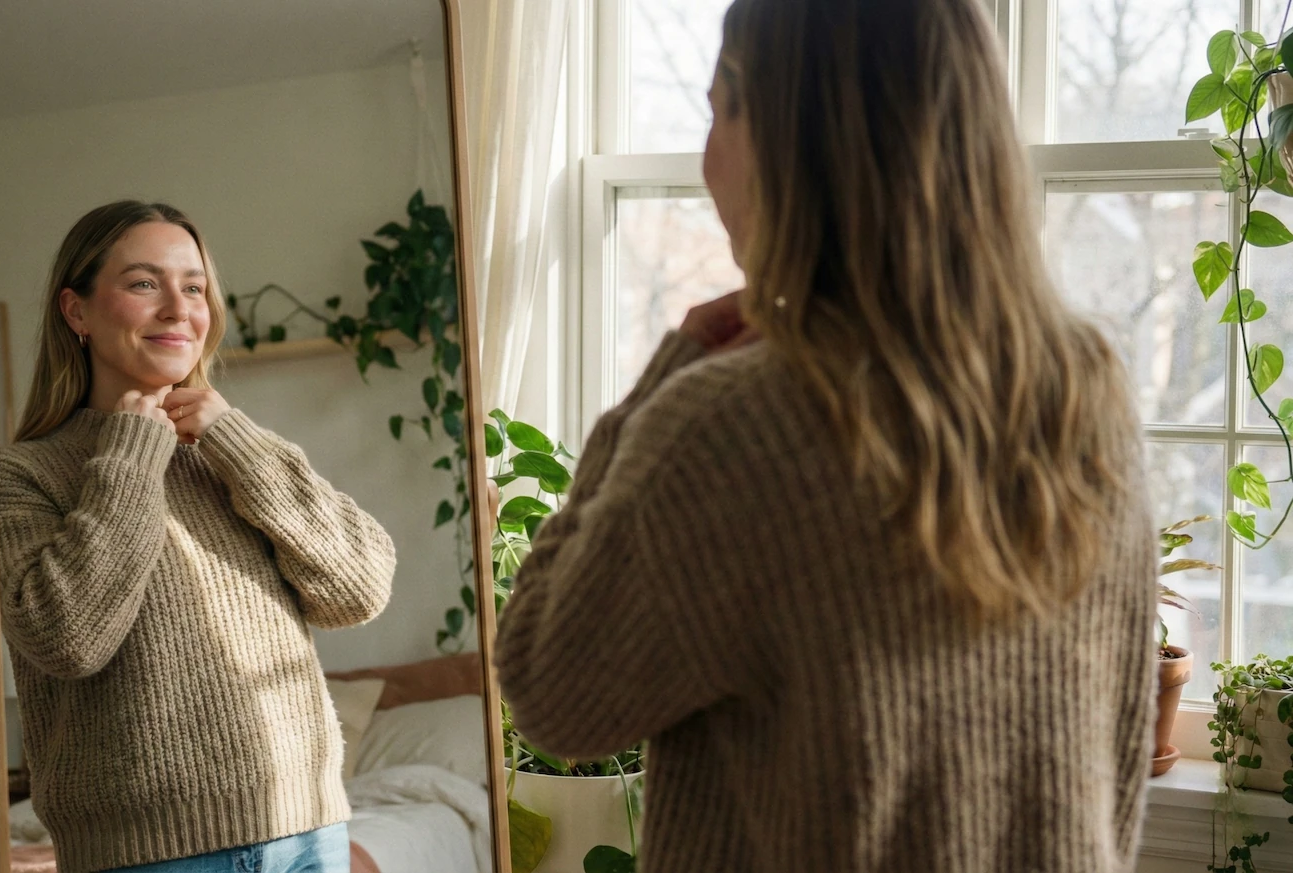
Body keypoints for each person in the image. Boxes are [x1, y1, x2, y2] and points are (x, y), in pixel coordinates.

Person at [493, 0, 1155, 870]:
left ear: (787, 137)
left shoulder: (731, 428)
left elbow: (550, 689)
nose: (705, 159)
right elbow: (1119, 779)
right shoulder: (1089, 397)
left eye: (719, 111)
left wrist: (666, 375)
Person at [0, 200, 395, 873]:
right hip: (147, 854)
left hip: (309, 831)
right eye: (144, 283)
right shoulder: (21, 473)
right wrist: (131, 451)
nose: (179, 309)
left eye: (194, 286)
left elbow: (358, 589)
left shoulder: (232, 449)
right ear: (77, 312)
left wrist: (234, 437)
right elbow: (68, 637)